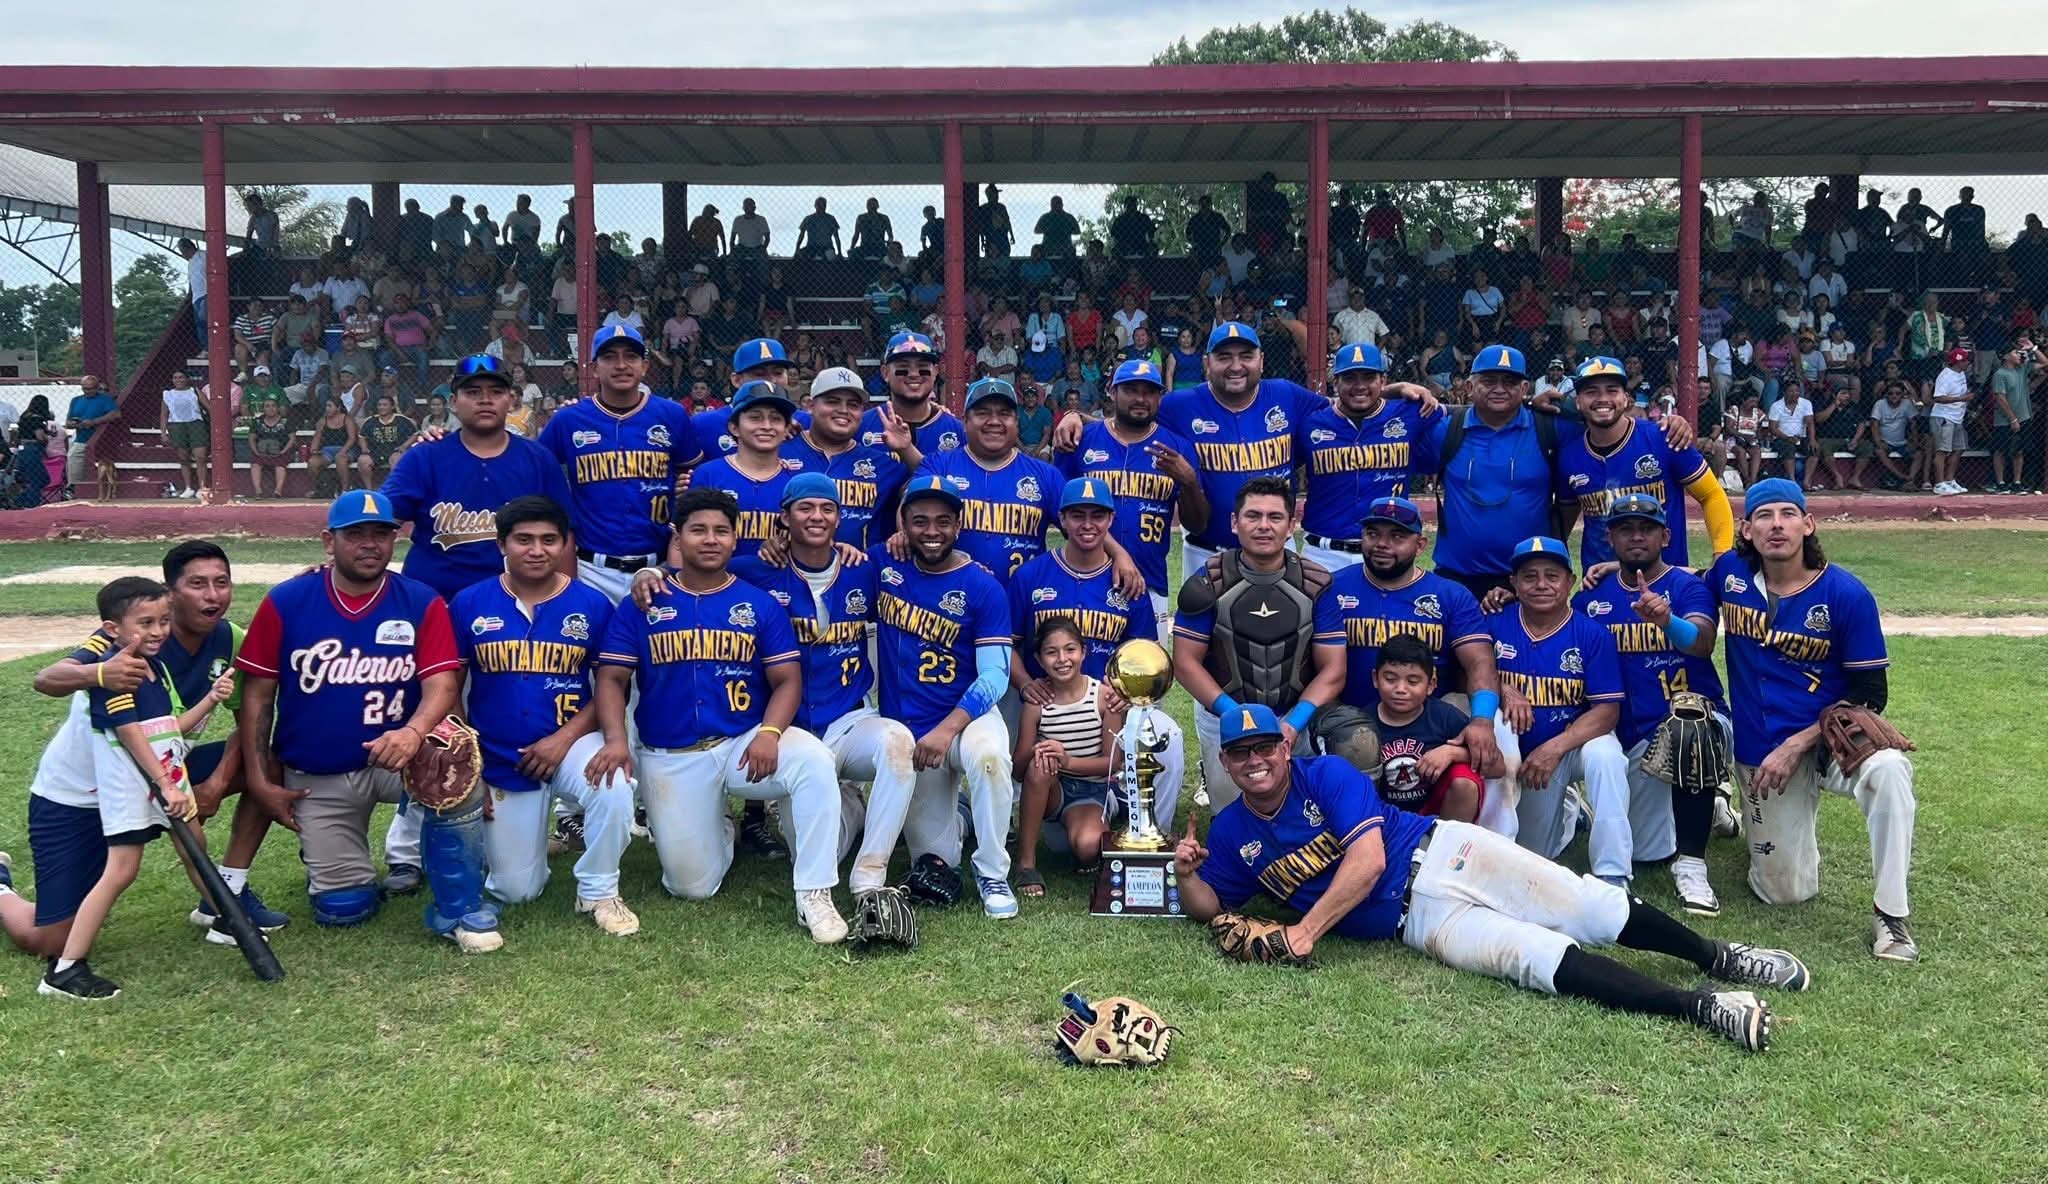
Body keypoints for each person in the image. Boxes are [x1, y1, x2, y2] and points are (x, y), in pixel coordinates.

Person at [1177, 705, 1804, 1053]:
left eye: (1266, 747)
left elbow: (1367, 862)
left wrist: (1305, 932)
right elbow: (1209, 906)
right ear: (1226, 761)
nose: (1256, 761)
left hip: (1445, 853)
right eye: (1242, 753)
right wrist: (1187, 875)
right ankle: (1700, 1006)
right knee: (1534, 960)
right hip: (1418, 924)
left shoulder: (1326, 776)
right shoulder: (1231, 830)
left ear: (1284, 749)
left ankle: (1717, 955)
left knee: (1587, 906)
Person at [585, 488, 847, 941]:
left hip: (744, 741)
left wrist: (770, 732)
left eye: (721, 531)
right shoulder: (644, 601)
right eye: (698, 530)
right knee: (692, 887)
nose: (710, 540)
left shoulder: (758, 602)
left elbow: (787, 680)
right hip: (673, 754)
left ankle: (814, 892)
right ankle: (720, 827)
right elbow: (611, 678)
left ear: (734, 538)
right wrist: (615, 739)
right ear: (677, 537)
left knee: (814, 761)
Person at [234, 493, 476, 944]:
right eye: (356, 534)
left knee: (460, 776)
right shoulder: (287, 601)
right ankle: (335, 864)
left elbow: (442, 685)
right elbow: (258, 696)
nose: (370, 544)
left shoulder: (420, 601)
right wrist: (259, 777)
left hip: (401, 763)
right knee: (344, 909)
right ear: (329, 542)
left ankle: (459, 895)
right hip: (319, 773)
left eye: (381, 534)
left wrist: (413, 732)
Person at [1708, 480, 1919, 962]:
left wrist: (1798, 743)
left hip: (1829, 743)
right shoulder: (1729, 574)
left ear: (1808, 524)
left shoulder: (1846, 594)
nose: (1776, 525)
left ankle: (1891, 916)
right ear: (1747, 530)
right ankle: (1732, 805)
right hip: (1761, 748)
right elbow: (1678, 582)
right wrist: (1618, 568)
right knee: (1785, 893)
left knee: (1890, 771)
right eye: (1764, 516)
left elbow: (1871, 693)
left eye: (1788, 514)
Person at [448, 496, 638, 938]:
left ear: (565, 544)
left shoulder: (592, 604)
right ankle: (523, 848)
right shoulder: (469, 602)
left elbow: (612, 686)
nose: (537, 550)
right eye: (524, 540)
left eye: (549, 540)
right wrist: (468, 760)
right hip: (500, 755)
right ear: (501, 544)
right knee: (518, 891)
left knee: (614, 784)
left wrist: (563, 739)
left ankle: (598, 890)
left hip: (571, 743)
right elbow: (450, 688)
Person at [32, 578, 226, 998]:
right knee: (113, 878)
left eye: (164, 620)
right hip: (111, 789)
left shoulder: (155, 667)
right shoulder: (113, 669)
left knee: (194, 844)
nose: (158, 631)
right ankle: (63, 968)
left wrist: (212, 698)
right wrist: (165, 784)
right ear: (112, 628)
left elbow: (168, 728)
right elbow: (125, 730)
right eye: (146, 623)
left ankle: (227, 917)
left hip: (158, 779)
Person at [1573, 494, 1730, 916]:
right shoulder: (1591, 596)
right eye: (1625, 529)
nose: (1637, 536)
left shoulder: (1686, 587)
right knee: (1645, 852)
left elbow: (1702, 642)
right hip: (1627, 732)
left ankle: (1693, 863)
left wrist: (1667, 621)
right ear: (1610, 539)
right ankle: (1708, 806)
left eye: (1647, 528)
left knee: (1689, 726)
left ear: (1666, 536)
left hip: (1689, 723)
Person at [871, 476, 1018, 918]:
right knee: (935, 860)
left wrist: (948, 729)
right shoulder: (882, 564)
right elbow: (826, 564)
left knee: (990, 757)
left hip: (967, 718)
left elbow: (996, 675)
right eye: (919, 521)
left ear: (958, 525)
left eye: (942, 521)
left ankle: (992, 870)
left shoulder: (983, 585)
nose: (931, 531)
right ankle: (965, 816)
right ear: (902, 524)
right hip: (912, 730)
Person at [1308, 495, 1507, 810]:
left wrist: (1482, 720)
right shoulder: (1334, 588)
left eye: (1397, 536)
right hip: (1354, 717)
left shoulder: (1450, 595)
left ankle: (1489, 834)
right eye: (1373, 534)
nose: (1382, 544)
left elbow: (1479, 662)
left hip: (1431, 720)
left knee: (1490, 738)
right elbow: (1319, 670)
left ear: (1420, 545)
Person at [1010, 478, 1185, 818]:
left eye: (1097, 515)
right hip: (1049, 708)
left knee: (1169, 735)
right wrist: (1025, 683)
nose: (1087, 524)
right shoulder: (1031, 576)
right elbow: (1008, 643)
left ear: (1110, 520)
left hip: (1110, 707)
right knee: (1067, 838)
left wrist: (1129, 693)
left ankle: (1155, 831)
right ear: (1062, 519)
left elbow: (1146, 653)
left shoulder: (1129, 582)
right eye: (1078, 515)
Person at [1173, 476, 1344, 807]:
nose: (1264, 525)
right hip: (1224, 715)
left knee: (1301, 816)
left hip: (1293, 717)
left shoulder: (1316, 583)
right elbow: (1184, 662)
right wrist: (1238, 718)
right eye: (1253, 515)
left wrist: (1292, 725)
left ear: (1291, 525)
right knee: (1233, 821)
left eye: (1275, 517)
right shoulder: (1208, 580)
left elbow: (1333, 670)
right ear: (1234, 522)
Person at [1487, 536, 1634, 885]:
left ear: (1570, 582)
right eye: (1530, 576)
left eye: (1552, 576)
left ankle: (1613, 872)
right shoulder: (1494, 623)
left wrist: (1554, 749)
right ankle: (1571, 810)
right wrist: (1503, 688)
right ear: (1513, 583)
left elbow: (1607, 712)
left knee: (1606, 757)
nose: (1541, 584)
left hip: (1571, 746)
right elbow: (1468, 675)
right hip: (1520, 754)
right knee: (1534, 852)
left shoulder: (1591, 634)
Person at [538, 324, 703, 603]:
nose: (621, 365)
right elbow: (536, 470)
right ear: (594, 368)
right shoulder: (569, 419)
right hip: (592, 569)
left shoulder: (671, 414)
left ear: (645, 366)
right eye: (610, 357)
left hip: (658, 566)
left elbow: (694, 474)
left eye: (631, 356)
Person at [1556, 357, 1733, 571]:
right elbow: (1562, 525)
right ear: (1578, 402)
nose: (1602, 399)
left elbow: (1711, 495)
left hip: (1666, 580)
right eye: (1591, 392)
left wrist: (1722, 554)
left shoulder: (1665, 438)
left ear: (1626, 399)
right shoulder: (1569, 456)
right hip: (1601, 583)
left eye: (1612, 390)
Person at [1295, 343, 1435, 571]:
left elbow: (1460, 416)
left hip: (1385, 552)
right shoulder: (1311, 422)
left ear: (1383, 380)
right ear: (1335, 382)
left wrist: (1402, 389)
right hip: (1322, 554)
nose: (1359, 385)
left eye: (1368, 377)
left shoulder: (1410, 412)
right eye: (1350, 378)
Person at [1010, 617, 1118, 898]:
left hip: (1091, 793)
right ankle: (1026, 863)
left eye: (1070, 649)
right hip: (1051, 793)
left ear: (1084, 652)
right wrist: (1039, 751)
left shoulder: (1103, 697)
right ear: (1039, 659)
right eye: (1051, 652)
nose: (1062, 659)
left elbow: (1112, 764)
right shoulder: (1037, 703)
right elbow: (1018, 771)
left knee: (1088, 847)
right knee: (1040, 766)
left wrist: (1067, 761)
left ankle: (1101, 822)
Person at [782, 367, 909, 551]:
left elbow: (928, 480)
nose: (843, 410)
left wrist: (906, 449)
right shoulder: (780, 451)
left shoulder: (882, 465)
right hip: (786, 564)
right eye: (832, 401)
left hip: (859, 566)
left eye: (853, 405)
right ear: (810, 405)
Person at [691, 381, 799, 562]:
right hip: (719, 577)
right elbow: (682, 541)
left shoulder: (797, 481)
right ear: (734, 427)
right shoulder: (708, 474)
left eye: (776, 419)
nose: (767, 426)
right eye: (755, 418)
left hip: (781, 577)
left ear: (786, 429)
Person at [858, 331, 963, 460]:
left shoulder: (957, 431)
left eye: (922, 366)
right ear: (885, 373)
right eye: (903, 366)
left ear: (935, 372)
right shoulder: (861, 426)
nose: (913, 374)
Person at [1989, 340, 2041, 494]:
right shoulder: (2000, 374)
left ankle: (2016, 482)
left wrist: (2033, 349)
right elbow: (2000, 398)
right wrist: (2012, 418)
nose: (2019, 355)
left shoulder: (2022, 369)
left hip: (2023, 416)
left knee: (2019, 450)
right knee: (2000, 450)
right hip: (2004, 420)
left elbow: (2045, 362)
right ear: (2005, 356)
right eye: (2015, 352)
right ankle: (2000, 483)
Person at [63, 376, 119, 496]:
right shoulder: (76, 400)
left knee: (104, 467)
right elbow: (67, 421)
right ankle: (73, 487)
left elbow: (115, 414)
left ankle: (105, 491)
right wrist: (73, 424)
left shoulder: (105, 400)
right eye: (85, 388)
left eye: (90, 388)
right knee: (73, 457)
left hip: (100, 439)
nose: (87, 391)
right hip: (81, 438)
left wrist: (94, 422)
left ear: (97, 388)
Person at [1927, 347, 1972, 495]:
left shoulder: (1962, 374)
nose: (1968, 362)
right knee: (1942, 451)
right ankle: (1939, 484)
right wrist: (1962, 398)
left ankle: (1949, 480)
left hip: (1958, 418)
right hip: (1944, 417)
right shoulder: (1945, 375)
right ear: (1958, 362)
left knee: (1959, 448)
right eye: (1965, 360)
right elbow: (1938, 397)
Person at [158, 370, 207, 498]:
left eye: (181, 377)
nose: (178, 380)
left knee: (200, 456)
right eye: (175, 377)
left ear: (186, 379)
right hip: (177, 426)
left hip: (195, 424)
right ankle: (188, 487)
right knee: (183, 457)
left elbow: (209, 407)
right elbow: (164, 415)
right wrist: (163, 432)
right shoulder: (168, 394)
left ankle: (202, 487)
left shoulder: (194, 391)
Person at [354, 392, 417, 490]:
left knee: (396, 460)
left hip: (395, 450)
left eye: (385, 405)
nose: (381, 407)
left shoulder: (401, 420)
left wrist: (404, 446)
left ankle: (392, 489)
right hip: (375, 451)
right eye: (379, 405)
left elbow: (415, 435)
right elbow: (361, 436)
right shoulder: (370, 421)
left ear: (392, 407)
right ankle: (370, 490)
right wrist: (364, 448)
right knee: (363, 460)